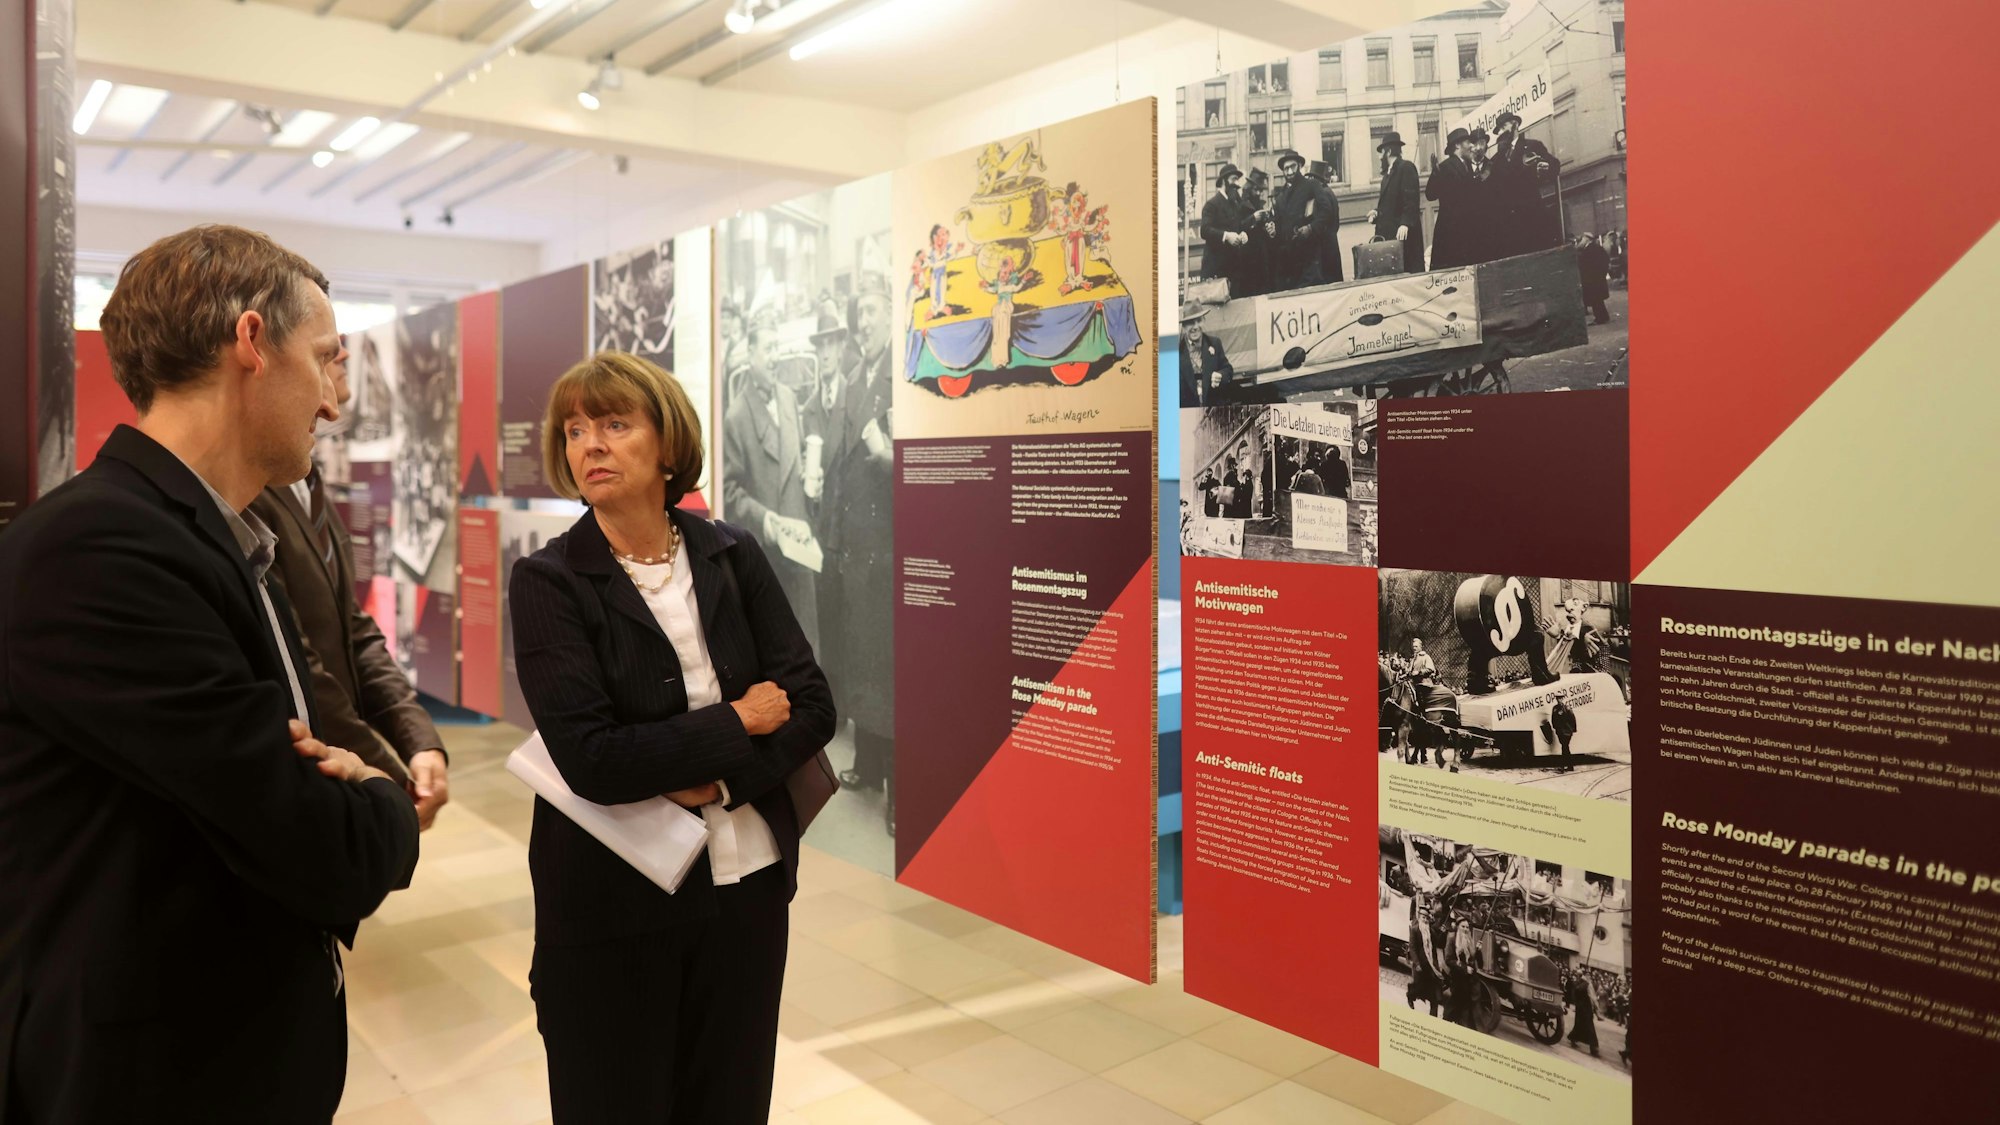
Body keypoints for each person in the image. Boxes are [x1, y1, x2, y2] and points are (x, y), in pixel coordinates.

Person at [0, 225, 421, 1122]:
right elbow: (313, 838)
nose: (333, 402)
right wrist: (381, 799)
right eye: (323, 359)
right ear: (251, 341)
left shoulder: (201, 535)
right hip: (153, 1080)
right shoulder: (100, 548)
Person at [511, 352, 835, 1124]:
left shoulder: (732, 553)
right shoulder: (548, 582)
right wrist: (737, 721)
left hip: (747, 888)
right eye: (576, 429)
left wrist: (720, 781)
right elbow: (593, 756)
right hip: (612, 905)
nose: (589, 443)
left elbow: (815, 705)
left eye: (616, 424)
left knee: (730, 1099)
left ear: (666, 444)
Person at [251, 338, 451, 829]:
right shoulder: (248, 494)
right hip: (309, 774)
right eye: (323, 349)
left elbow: (354, 627)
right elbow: (301, 662)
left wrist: (417, 737)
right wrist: (386, 771)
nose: (344, 356)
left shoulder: (306, 477)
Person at [822, 280, 896, 812]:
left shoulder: (905, 374)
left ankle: (900, 790)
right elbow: (838, 475)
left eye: (870, 311)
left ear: (890, 313)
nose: (862, 322)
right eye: (858, 314)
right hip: (855, 549)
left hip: (892, 549)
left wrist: (888, 452)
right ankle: (870, 768)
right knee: (861, 657)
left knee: (890, 666)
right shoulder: (852, 380)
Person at [723, 320, 822, 654]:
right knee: (778, 656)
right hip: (768, 558)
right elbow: (729, 491)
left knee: (808, 648)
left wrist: (815, 485)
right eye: (768, 348)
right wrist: (767, 522)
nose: (775, 357)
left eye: (777, 348)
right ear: (751, 354)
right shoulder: (736, 417)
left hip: (801, 548)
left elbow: (795, 464)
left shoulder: (789, 397)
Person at [1273, 149, 1337, 289]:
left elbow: (1327, 211)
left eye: (1292, 167)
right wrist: (1272, 230)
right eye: (1286, 169)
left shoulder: (1311, 185)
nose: (1289, 172)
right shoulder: (1280, 197)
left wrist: (1311, 228)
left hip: (1310, 257)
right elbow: (1278, 224)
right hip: (1289, 261)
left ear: (1300, 166)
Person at [1369, 131, 1426, 274]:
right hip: (1389, 237)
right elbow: (1389, 203)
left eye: (1380, 152)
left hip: (1403, 236)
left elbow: (1411, 199)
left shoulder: (1406, 167)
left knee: (1407, 272)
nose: (1378, 156)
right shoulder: (1387, 175)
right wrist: (1376, 212)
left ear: (1388, 152)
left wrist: (1405, 223)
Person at [1427, 128, 1480, 269]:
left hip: (1467, 233)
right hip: (1451, 234)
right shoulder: (1445, 167)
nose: (1472, 146)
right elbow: (1430, 195)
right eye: (1468, 142)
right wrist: (1435, 174)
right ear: (1457, 145)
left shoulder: (1469, 166)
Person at [1199, 163, 1254, 291]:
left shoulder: (1234, 205)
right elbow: (1204, 230)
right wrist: (1226, 236)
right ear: (1224, 181)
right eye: (1233, 179)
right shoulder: (1211, 204)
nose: (1236, 184)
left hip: (1233, 269)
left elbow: (1239, 226)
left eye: (1237, 180)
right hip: (1216, 270)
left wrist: (1243, 234)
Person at [1178, 302, 1231, 406]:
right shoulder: (1176, 352)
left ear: (1204, 321)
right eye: (1190, 322)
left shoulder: (1215, 343)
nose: (1195, 327)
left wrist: (1221, 375)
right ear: (1183, 327)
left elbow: (1228, 370)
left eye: (1198, 321)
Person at [1578, 233, 1613, 323]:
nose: (1581, 240)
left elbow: (1586, 264)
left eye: (1582, 238)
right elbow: (1605, 260)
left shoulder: (1590, 249)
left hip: (1593, 279)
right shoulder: (1596, 248)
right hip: (1596, 278)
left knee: (1595, 300)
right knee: (1598, 300)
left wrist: (1597, 274)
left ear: (1587, 239)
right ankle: (1604, 317)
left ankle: (1600, 318)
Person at [1568, 971, 1601, 1056]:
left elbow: (1591, 997)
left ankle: (1573, 1038)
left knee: (1579, 1025)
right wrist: (1597, 1010)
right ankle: (1594, 1048)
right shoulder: (1585, 984)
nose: (1591, 977)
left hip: (1582, 1009)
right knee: (1589, 1027)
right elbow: (1591, 997)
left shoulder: (1582, 983)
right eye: (1589, 975)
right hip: (1584, 1009)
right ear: (1586, 976)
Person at [1551, 696, 1578, 773]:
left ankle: (1562, 767)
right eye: (1557, 699)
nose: (1559, 700)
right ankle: (1570, 766)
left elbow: (1573, 719)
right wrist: (1555, 727)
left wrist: (1573, 729)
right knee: (1565, 748)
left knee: (1564, 747)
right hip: (1560, 731)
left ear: (1562, 699)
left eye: (1560, 698)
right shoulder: (1555, 708)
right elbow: (1553, 719)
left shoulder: (1567, 708)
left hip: (1567, 732)